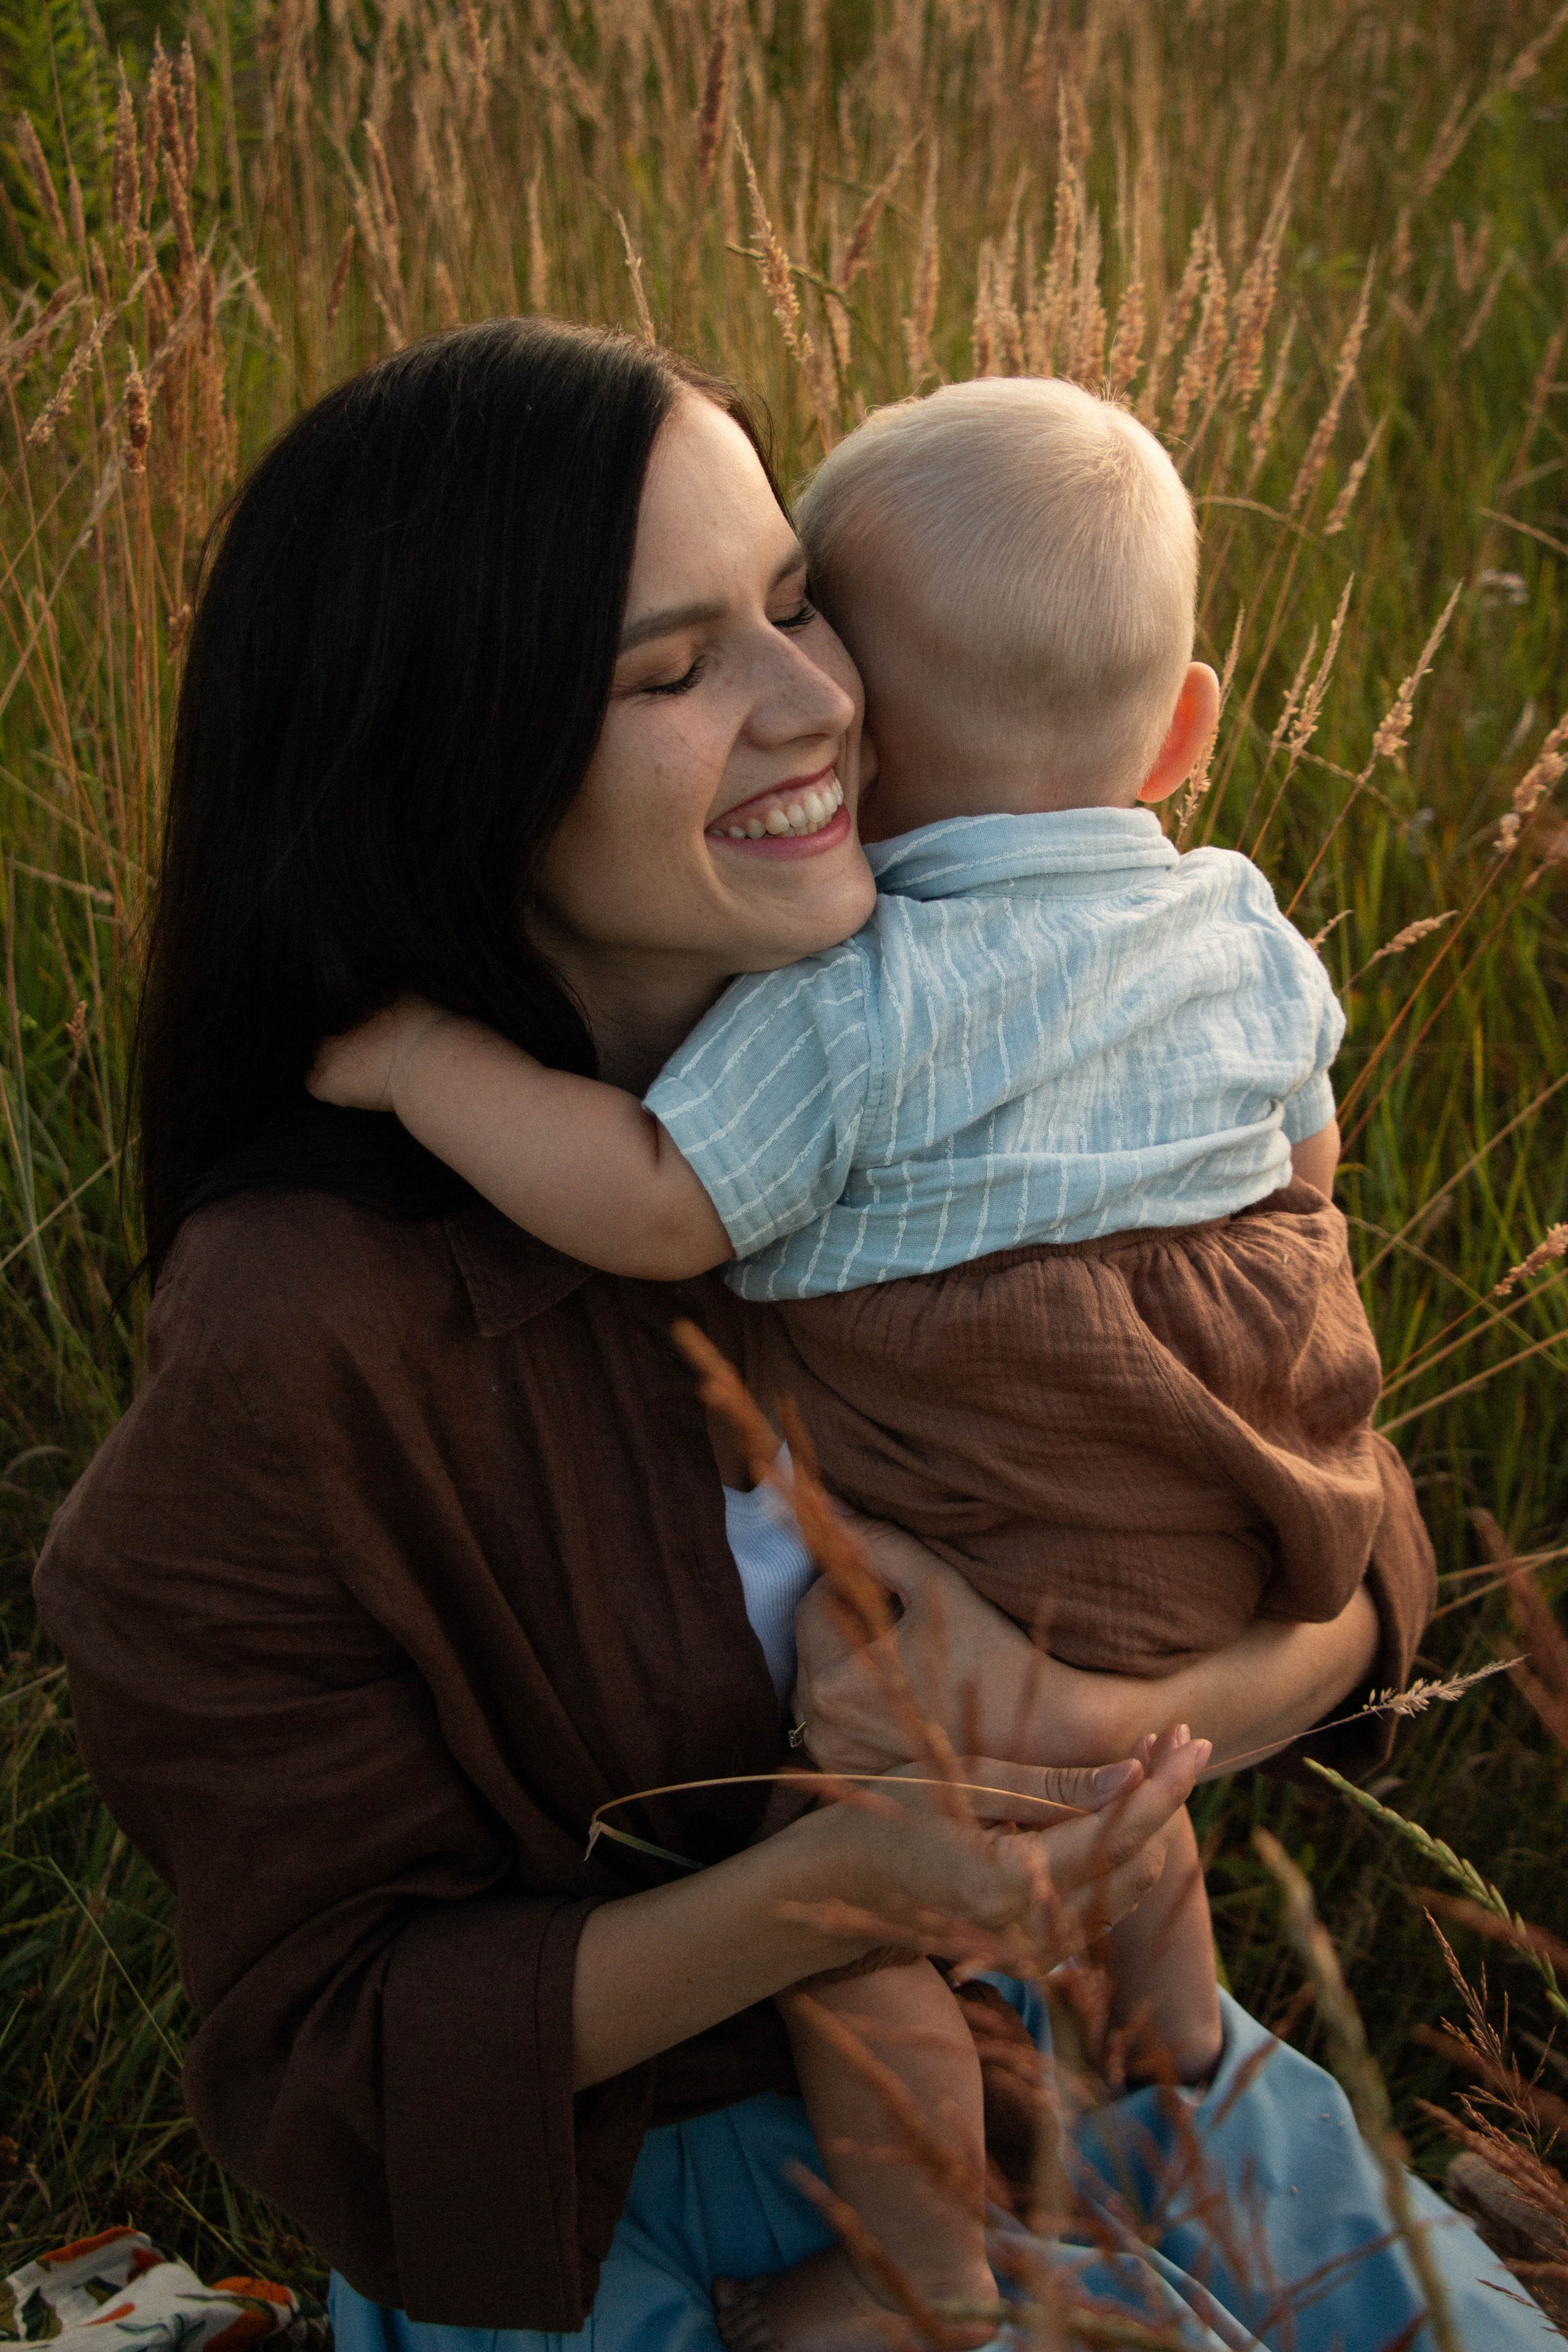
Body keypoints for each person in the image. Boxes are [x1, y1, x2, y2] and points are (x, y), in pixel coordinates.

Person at [29, 322, 1555, 2352]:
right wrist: (844, 1898)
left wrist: (1102, 1723)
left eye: (795, 604)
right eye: (673, 670)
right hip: (627, 2222)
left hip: (1099, 2061)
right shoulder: (315, 1332)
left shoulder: (999, 1080)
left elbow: (1365, 1543)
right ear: (453, 756)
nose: (821, 697)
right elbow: (331, 2031)